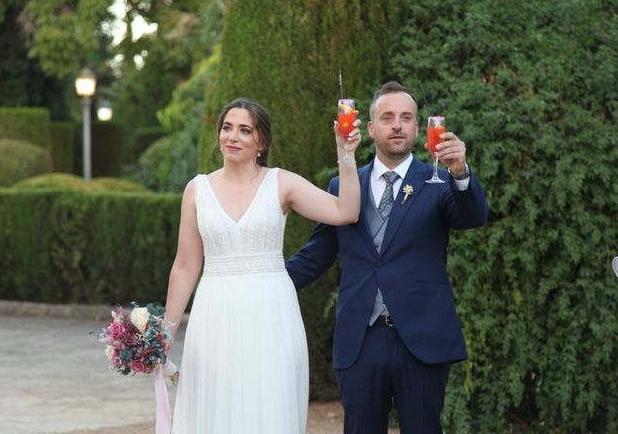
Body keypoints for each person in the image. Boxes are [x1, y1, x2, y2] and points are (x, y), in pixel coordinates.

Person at [285, 81, 489, 433]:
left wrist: (461, 172)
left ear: (416, 127)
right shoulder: (342, 186)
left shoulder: (437, 180)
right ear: (370, 128)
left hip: (422, 340)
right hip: (360, 341)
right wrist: (259, 281)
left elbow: (472, 218)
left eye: (406, 118)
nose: (397, 125)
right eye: (388, 117)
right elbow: (314, 258)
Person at [164, 97, 361, 433]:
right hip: (214, 314)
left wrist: (346, 155)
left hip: (271, 313)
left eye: (245, 130)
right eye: (227, 128)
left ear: (262, 142)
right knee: (216, 406)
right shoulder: (196, 190)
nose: (232, 137)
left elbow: (346, 211)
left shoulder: (281, 183)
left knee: (268, 405)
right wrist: (166, 331)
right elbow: (185, 266)